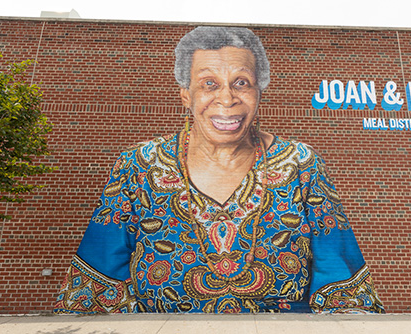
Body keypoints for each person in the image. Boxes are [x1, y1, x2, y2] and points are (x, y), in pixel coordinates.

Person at [53, 26, 384, 314]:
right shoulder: (139, 165)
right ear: (186, 95)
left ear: (258, 93)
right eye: (209, 84)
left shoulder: (301, 164)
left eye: (241, 82)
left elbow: (340, 282)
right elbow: (98, 281)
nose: (227, 99)